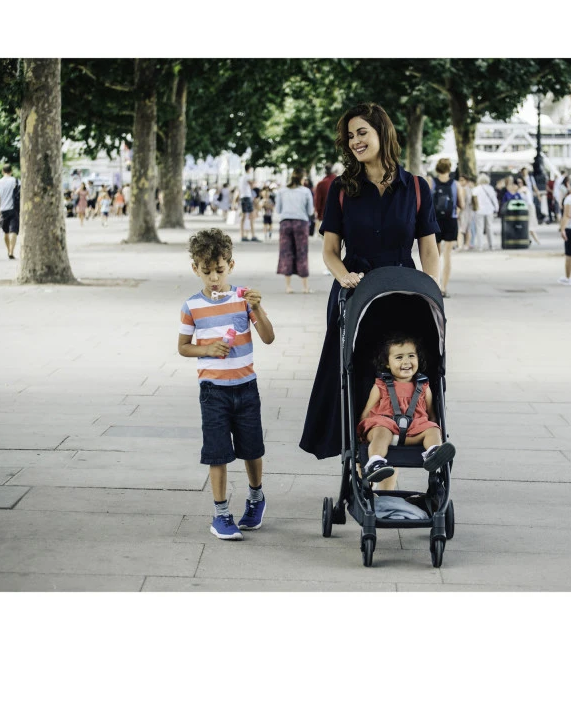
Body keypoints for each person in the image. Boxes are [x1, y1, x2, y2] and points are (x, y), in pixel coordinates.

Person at [299, 101, 440, 463]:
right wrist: (343, 275)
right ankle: (365, 460)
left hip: (403, 294)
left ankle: (400, 449)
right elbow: (330, 251)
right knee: (356, 374)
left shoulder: (417, 188)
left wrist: (432, 292)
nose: (355, 141)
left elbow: (429, 249)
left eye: (362, 132)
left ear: (383, 133)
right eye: (350, 136)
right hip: (355, 293)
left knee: (402, 370)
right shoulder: (342, 189)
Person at [178, 228, 275, 540]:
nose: (214, 278)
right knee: (217, 452)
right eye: (206, 271)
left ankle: (256, 498)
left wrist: (257, 307)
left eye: (219, 270)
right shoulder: (192, 306)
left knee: (252, 448)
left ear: (231, 265)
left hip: (246, 387)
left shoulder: (243, 300)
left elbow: (268, 337)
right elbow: (183, 347)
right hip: (213, 392)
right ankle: (220, 514)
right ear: (195, 269)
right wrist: (207, 349)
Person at [358, 332, 456, 484]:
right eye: (399, 357)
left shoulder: (423, 386)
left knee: (432, 428)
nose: (406, 361)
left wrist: (435, 430)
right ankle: (375, 462)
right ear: (387, 363)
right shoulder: (381, 385)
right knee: (381, 430)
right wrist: (360, 433)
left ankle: (433, 452)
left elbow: (431, 414)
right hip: (385, 428)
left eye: (411, 356)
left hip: (413, 432)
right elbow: (367, 411)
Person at [276, 168, 315, 294]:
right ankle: (305, 286)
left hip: (285, 223)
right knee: (302, 252)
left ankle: (288, 286)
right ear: (302, 179)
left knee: (286, 253)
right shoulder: (306, 191)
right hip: (301, 223)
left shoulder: (282, 191)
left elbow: (278, 209)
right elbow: (310, 211)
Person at [432, 158, 462, 298]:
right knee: (447, 255)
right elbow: (461, 204)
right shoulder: (456, 184)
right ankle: (444, 288)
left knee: (434, 255)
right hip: (451, 220)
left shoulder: (431, 182)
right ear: (449, 169)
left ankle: (435, 286)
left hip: (435, 221)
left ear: (437, 168)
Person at [0, 163, 20, 259]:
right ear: (11, 171)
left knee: (6, 232)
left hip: (3, 209)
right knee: (14, 231)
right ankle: (12, 251)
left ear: (2, 171)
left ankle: (8, 250)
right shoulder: (16, 181)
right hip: (14, 209)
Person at [472, 173, 499, 251]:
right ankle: (492, 245)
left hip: (479, 210)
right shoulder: (490, 188)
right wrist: (496, 208)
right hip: (489, 210)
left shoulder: (476, 189)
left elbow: (474, 201)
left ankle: (480, 246)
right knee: (490, 227)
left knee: (479, 228)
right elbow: (494, 199)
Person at [313, 163, 336, 237]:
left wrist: (318, 214)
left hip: (325, 216)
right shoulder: (340, 182)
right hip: (341, 216)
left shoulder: (321, 184)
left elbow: (317, 201)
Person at [237, 164, 258, 242]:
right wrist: (254, 182)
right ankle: (253, 235)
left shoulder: (242, 177)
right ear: (249, 169)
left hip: (243, 197)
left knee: (244, 216)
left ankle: (243, 235)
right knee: (251, 216)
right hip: (247, 197)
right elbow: (252, 184)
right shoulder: (247, 176)